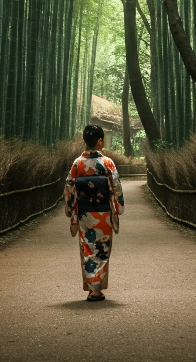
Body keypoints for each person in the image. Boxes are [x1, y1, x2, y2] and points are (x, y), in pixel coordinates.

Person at [64, 124, 124, 301]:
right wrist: (117, 207)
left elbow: (69, 186)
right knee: (102, 249)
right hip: (103, 213)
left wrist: (70, 208)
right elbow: (116, 187)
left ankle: (92, 288)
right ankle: (96, 289)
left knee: (88, 248)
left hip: (84, 213)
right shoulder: (107, 163)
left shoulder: (77, 163)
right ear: (100, 141)